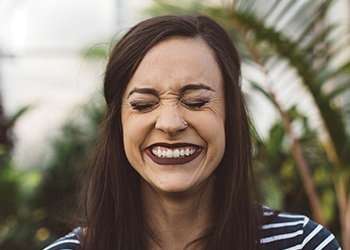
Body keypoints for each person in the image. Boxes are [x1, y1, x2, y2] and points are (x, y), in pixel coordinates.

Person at [43, 15, 341, 250]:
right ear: (118, 123)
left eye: (196, 102)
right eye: (144, 104)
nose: (170, 123)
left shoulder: (303, 243)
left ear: (230, 116)